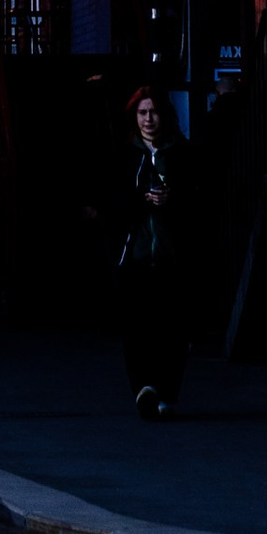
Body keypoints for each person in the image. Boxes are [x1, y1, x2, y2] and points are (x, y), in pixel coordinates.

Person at [117, 86, 191, 419]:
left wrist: (172, 198)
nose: (149, 119)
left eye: (154, 112)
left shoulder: (182, 153)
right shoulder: (124, 154)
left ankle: (166, 393)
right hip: (135, 256)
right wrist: (140, 199)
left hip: (172, 257)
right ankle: (144, 388)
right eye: (143, 113)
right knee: (137, 327)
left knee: (172, 329)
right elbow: (112, 200)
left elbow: (199, 196)